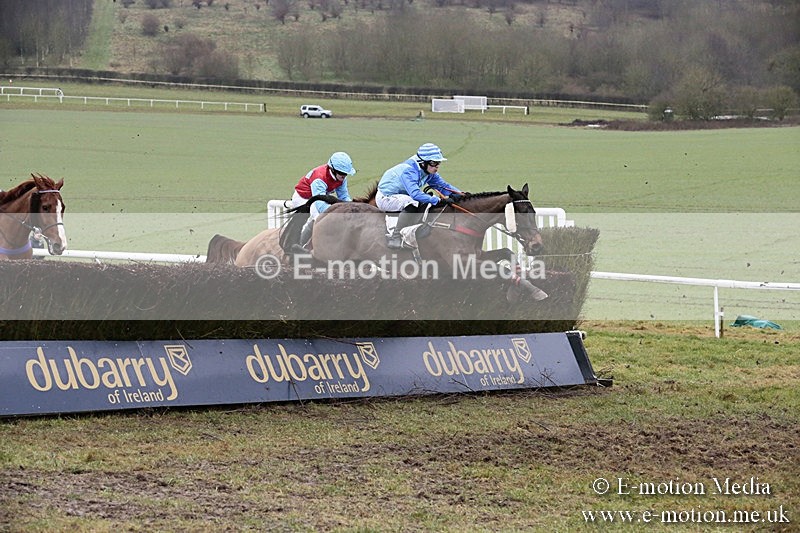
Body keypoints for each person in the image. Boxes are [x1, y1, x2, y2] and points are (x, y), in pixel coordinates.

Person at [376, 143, 463, 249]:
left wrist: (461, 195)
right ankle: (395, 237)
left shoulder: (428, 171)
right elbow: (415, 194)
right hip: (386, 198)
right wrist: (438, 200)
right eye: (433, 163)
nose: (437, 166)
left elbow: (443, 186)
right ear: (423, 163)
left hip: (402, 196)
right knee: (413, 202)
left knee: (421, 201)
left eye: (438, 163)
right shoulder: (409, 171)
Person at [290, 151, 356, 248]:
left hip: (319, 197)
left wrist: (353, 208)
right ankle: (300, 245)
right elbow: (320, 205)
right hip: (303, 198)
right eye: (341, 173)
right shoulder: (319, 178)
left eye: (346, 173)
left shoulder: (341, 178)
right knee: (319, 218)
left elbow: (343, 197)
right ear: (332, 169)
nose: (344, 176)